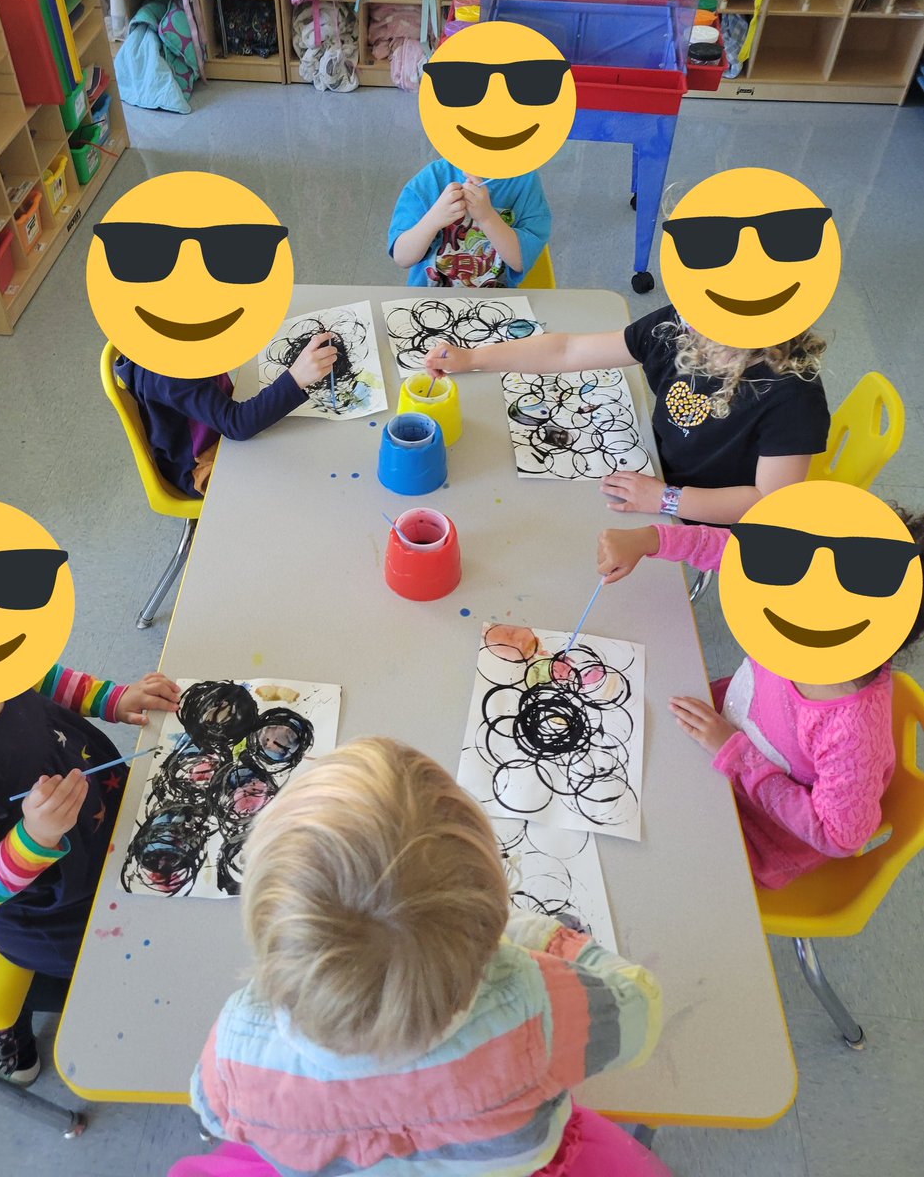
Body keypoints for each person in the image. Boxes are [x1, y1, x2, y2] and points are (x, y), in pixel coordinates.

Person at [176, 738, 668, 1177]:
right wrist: (543, 936)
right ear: (491, 916)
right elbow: (638, 1009)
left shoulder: (240, 1040)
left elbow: (213, 1111)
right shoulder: (533, 999)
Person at [597, 518, 924, 888]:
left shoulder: (851, 731)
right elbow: (738, 554)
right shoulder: (814, 602)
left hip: (758, 827)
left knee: (638, 860)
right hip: (720, 730)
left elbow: (839, 836)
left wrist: (735, 754)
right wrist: (651, 538)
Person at [0, 662, 181, 1083]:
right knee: (112, 963)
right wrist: (36, 836)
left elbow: (37, 672)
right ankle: (8, 1020)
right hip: (46, 912)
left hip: (94, 812)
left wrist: (112, 698)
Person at [425, 305, 831, 525]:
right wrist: (475, 357)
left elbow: (766, 505)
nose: (683, 315)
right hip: (648, 465)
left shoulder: (794, 397)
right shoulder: (679, 326)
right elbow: (567, 351)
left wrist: (667, 498)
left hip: (702, 512)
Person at [115, 332, 338, 497]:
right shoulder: (170, 374)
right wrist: (296, 378)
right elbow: (237, 424)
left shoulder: (164, 339)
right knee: (302, 482)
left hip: (217, 419)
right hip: (203, 464)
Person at [389, 159, 551, 288]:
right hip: (430, 299)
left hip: (496, 304)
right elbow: (402, 257)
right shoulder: (430, 180)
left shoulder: (525, 182)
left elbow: (520, 262)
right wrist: (433, 219)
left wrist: (487, 217)